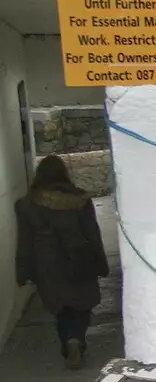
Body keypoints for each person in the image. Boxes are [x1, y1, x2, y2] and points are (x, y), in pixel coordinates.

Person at [14, 155, 109, 369]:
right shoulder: (81, 200)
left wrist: (24, 272)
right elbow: (93, 234)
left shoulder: (27, 204)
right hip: (80, 258)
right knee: (81, 305)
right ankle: (76, 339)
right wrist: (101, 263)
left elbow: (25, 242)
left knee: (61, 308)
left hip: (46, 265)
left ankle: (68, 343)